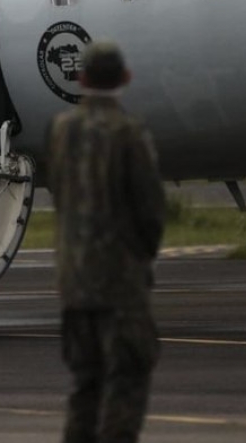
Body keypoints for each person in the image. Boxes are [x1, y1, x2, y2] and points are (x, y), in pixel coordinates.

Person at [47, 41, 165, 443]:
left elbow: (60, 195)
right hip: (118, 279)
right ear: (125, 79)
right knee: (127, 378)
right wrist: (142, 258)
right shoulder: (129, 132)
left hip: (74, 281)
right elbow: (149, 210)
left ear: (81, 80)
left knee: (85, 383)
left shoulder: (61, 130)